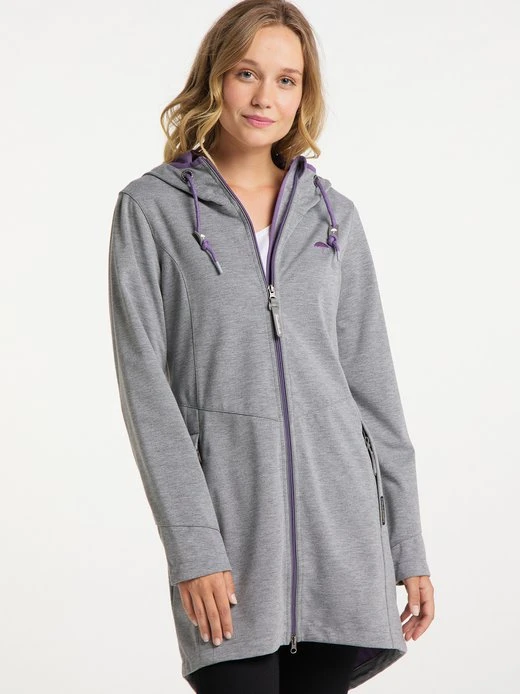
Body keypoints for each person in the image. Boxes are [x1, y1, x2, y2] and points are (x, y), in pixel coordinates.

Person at [108, 1, 435, 692]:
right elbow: (147, 393)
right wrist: (194, 545)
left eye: (287, 80)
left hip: (343, 533)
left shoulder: (334, 218)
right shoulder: (152, 210)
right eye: (247, 73)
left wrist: (407, 543)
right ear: (215, 78)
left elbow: (373, 389)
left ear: (303, 94)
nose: (265, 97)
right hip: (232, 528)